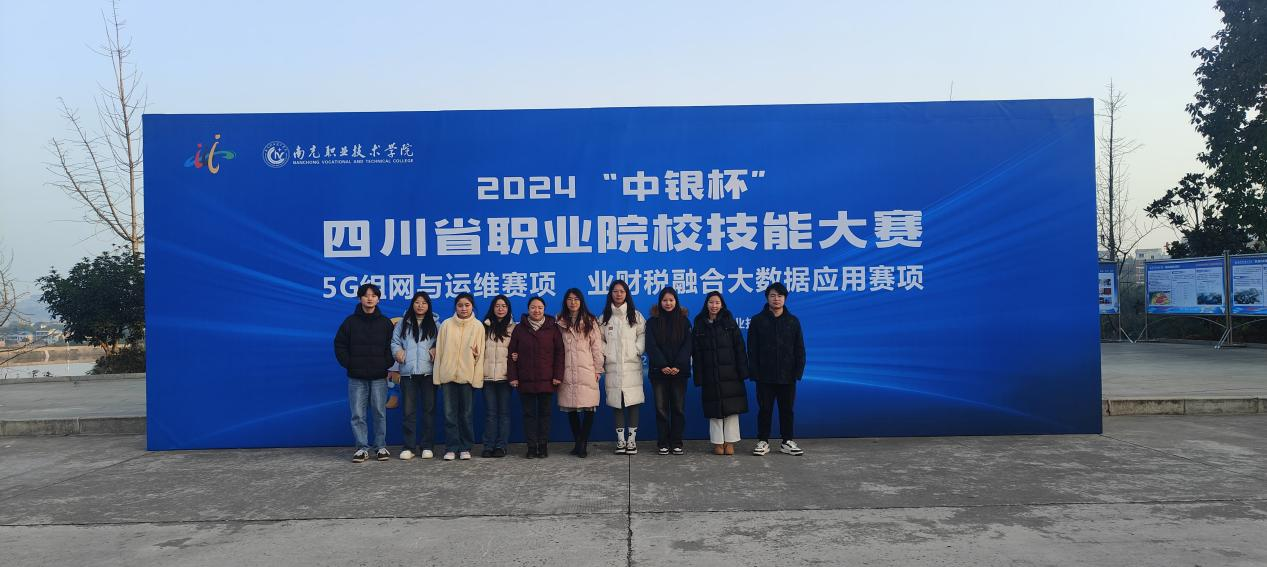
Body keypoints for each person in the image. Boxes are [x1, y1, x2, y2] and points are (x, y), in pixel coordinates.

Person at [333, 283, 395, 463]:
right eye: (366, 295)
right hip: (356, 377)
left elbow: (392, 346)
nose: (370, 298)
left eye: (373, 295)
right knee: (358, 414)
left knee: (379, 412)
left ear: (378, 299)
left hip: (379, 377)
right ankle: (362, 448)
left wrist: (385, 364)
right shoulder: (350, 322)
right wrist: (349, 364)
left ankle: (381, 446)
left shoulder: (385, 323)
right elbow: (339, 344)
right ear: (360, 298)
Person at [747, 282, 806, 456]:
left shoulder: (793, 321)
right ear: (767, 298)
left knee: (787, 409)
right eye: (772, 295)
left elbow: (799, 349)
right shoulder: (757, 320)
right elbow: (752, 349)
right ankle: (763, 441)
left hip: (788, 375)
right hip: (764, 375)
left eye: (780, 296)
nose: (776, 299)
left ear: (785, 298)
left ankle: (787, 441)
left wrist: (797, 372)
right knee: (765, 409)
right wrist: (754, 372)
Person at [692, 291, 749, 456]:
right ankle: (718, 443)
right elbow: (696, 353)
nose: (714, 305)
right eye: (711, 302)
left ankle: (729, 442)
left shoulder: (730, 323)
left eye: (717, 302)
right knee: (714, 410)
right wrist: (699, 376)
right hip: (710, 374)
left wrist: (742, 371)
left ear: (722, 304)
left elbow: (739, 348)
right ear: (706, 304)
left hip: (730, 374)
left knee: (731, 409)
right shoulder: (700, 324)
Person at [508, 296, 565, 458]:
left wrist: (558, 376)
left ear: (544, 309)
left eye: (540, 307)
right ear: (528, 309)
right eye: (533, 307)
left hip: (547, 380)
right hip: (525, 380)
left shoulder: (553, 328)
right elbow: (511, 353)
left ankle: (543, 446)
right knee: (529, 416)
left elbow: (560, 353)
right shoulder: (519, 329)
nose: (536, 310)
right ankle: (532, 447)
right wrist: (513, 377)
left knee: (545, 415)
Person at [433, 292, 484, 461]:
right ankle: (451, 447)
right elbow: (439, 352)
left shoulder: (478, 326)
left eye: (467, 305)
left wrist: (476, 379)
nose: (463, 308)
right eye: (460, 305)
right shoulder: (446, 325)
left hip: (467, 377)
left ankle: (465, 447)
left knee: (466, 414)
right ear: (455, 307)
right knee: (449, 414)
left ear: (472, 306)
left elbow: (481, 355)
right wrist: (438, 376)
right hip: (447, 376)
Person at [555, 288, 604, 458]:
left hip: (586, 369)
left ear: (581, 301)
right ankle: (577, 442)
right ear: (565, 302)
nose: (573, 302)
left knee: (589, 407)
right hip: (566, 370)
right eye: (569, 299)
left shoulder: (590, 320)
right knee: (571, 407)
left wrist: (598, 369)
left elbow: (597, 347)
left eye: (576, 299)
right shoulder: (559, 321)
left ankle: (583, 442)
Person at [391, 291, 439, 460]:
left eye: (424, 303)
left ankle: (427, 446)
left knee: (429, 411)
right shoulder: (403, 323)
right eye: (417, 302)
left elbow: (443, 342)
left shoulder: (435, 324)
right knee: (408, 412)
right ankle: (409, 447)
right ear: (412, 304)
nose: (420, 305)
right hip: (408, 373)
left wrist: (436, 349)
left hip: (428, 373)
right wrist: (397, 351)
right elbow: (395, 342)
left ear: (428, 306)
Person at [600, 280, 646, 455]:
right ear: (610, 294)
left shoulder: (636, 316)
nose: (618, 294)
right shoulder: (604, 318)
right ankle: (620, 441)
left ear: (627, 294)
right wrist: (608, 352)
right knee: (617, 403)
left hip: (632, 366)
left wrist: (636, 350)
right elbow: (598, 339)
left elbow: (642, 335)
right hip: (613, 367)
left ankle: (631, 440)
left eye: (622, 291)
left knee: (633, 402)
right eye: (615, 291)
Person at [645, 287, 691, 455]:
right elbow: (651, 345)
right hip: (659, 373)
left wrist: (678, 365)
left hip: (679, 372)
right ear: (660, 302)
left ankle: (677, 442)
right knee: (661, 409)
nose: (668, 303)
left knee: (678, 409)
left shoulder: (684, 322)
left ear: (676, 301)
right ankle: (663, 443)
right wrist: (662, 365)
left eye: (671, 300)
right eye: (665, 300)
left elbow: (688, 345)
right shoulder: (652, 322)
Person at [481, 295, 516, 458]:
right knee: (490, 414)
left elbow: (518, 350)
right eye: (497, 306)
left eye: (504, 306)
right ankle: (488, 446)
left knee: (504, 414)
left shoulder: (514, 328)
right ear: (492, 308)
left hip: (505, 377)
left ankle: (501, 446)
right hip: (487, 377)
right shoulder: (484, 327)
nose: (500, 309)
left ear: (508, 309)